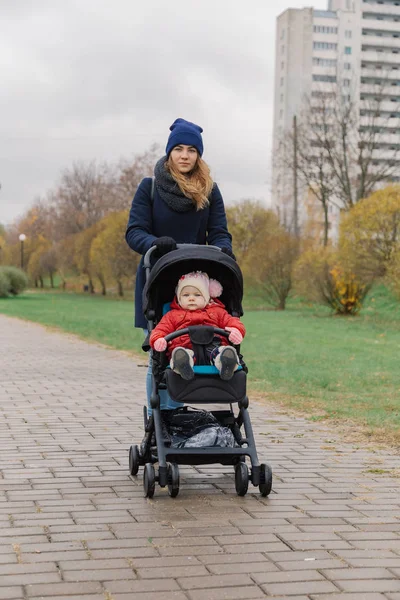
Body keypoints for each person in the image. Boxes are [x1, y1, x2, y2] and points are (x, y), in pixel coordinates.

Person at [125, 118, 234, 412]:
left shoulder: (209, 191)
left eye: (191, 150)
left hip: (195, 283)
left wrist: (224, 249)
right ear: (169, 152)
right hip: (158, 279)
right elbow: (134, 232)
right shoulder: (149, 188)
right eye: (179, 149)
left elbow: (220, 232)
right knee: (161, 354)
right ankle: (161, 422)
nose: (184, 155)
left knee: (197, 347)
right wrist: (154, 243)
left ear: (198, 155)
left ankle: (181, 420)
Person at [150, 271, 245, 381]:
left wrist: (236, 330)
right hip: (185, 347)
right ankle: (183, 364)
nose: (191, 298)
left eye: (197, 295)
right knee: (180, 353)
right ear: (178, 298)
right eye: (186, 295)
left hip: (214, 345)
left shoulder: (218, 312)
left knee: (221, 350)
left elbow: (232, 322)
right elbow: (160, 329)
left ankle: (225, 362)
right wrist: (158, 339)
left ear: (207, 297)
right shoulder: (172, 315)